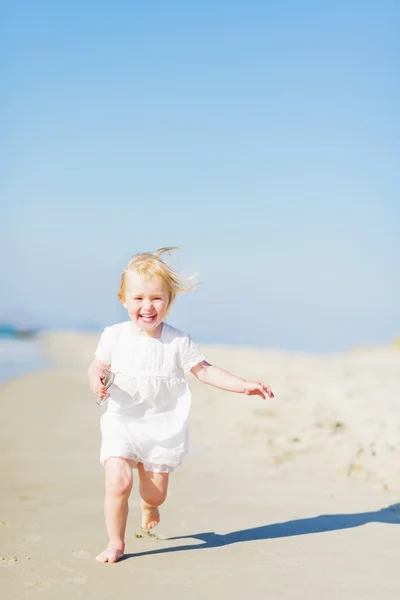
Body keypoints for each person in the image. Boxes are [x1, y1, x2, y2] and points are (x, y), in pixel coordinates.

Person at [88, 247, 274, 563]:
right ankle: (115, 543)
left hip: (161, 426)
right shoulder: (113, 336)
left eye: (156, 298)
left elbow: (205, 370)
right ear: (123, 300)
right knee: (118, 482)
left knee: (154, 492)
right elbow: (97, 366)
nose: (147, 306)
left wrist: (243, 385)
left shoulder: (177, 341)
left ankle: (150, 505)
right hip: (122, 420)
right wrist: (96, 377)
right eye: (138, 298)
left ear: (169, 302)